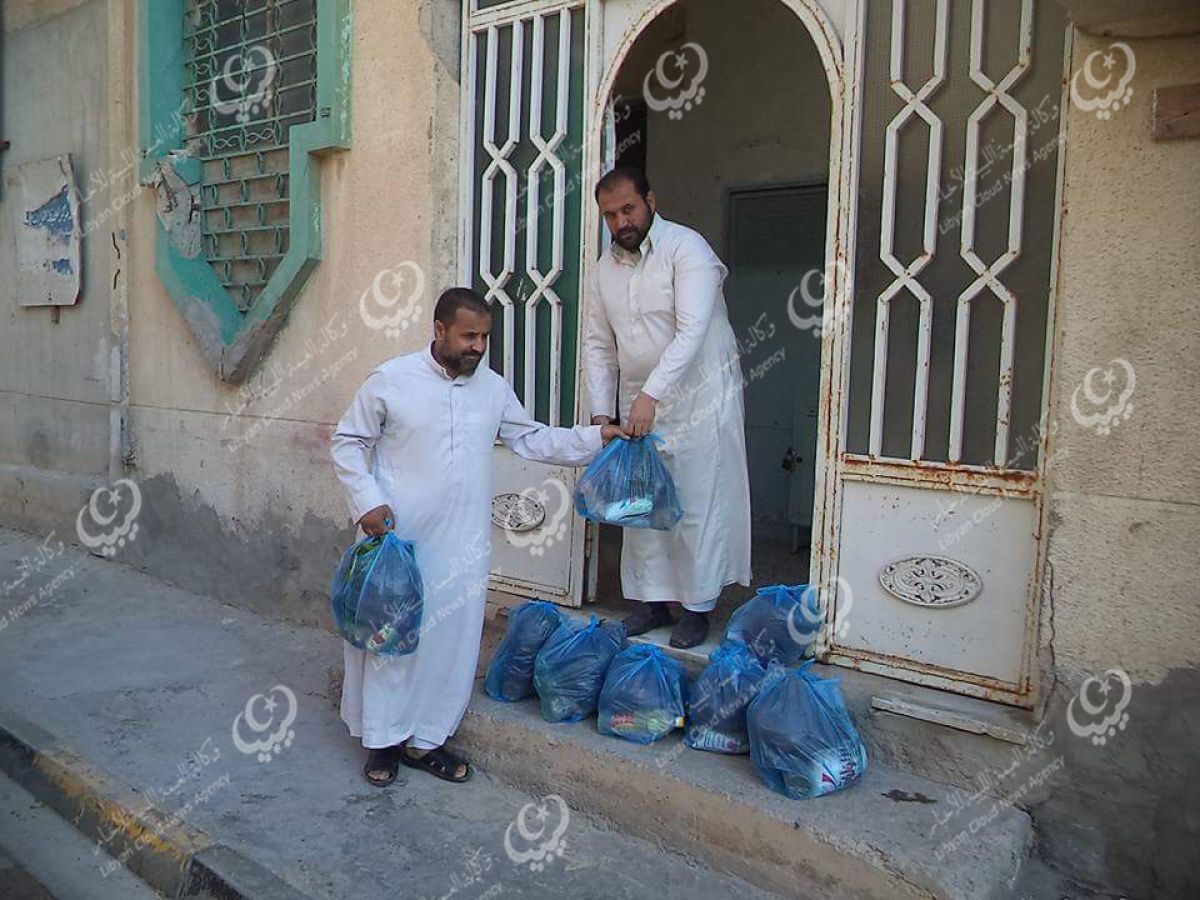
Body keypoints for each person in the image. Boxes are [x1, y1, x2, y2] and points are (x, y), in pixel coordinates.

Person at [331, 288, 626, 787]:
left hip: (461, 546)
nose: (478, 347)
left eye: (484, 337)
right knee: (389, 641)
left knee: (451, 643)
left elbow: (529, 437)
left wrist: (596, 439)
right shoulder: (391, 380)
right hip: (398, 543)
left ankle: (425, 742)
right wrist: (367, 502)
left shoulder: (491, 388)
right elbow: (349, 441)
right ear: (439, 329)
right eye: (468, 336)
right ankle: (381, 742)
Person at [583, 167, 751, 649]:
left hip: (696, 397)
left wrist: (650, 395)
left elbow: (692, 330)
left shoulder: (686, 248)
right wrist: (601, 414)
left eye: (628, 209)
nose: (621, 222)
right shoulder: (604, 269)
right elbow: (598, 345)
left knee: (696, 503)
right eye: (610, 215)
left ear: (650, 201)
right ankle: (652, 602)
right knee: (643, 501)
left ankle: (697, 607)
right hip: (640, 401)